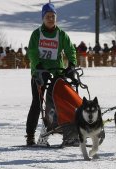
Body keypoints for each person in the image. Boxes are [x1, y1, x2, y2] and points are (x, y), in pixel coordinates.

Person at [25, 3, 77, 146]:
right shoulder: (36, 34)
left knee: (60, 103)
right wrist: (39, 66)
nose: (50, 19)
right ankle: (30, 135)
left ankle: (68, 133)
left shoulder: (61, 34)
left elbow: (70, 50)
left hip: (57, 73)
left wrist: (71, 64)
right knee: (37, 104)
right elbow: (32, 53)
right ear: (43, 18)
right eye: (47, 16)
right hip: (39, 73)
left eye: (53, 16)